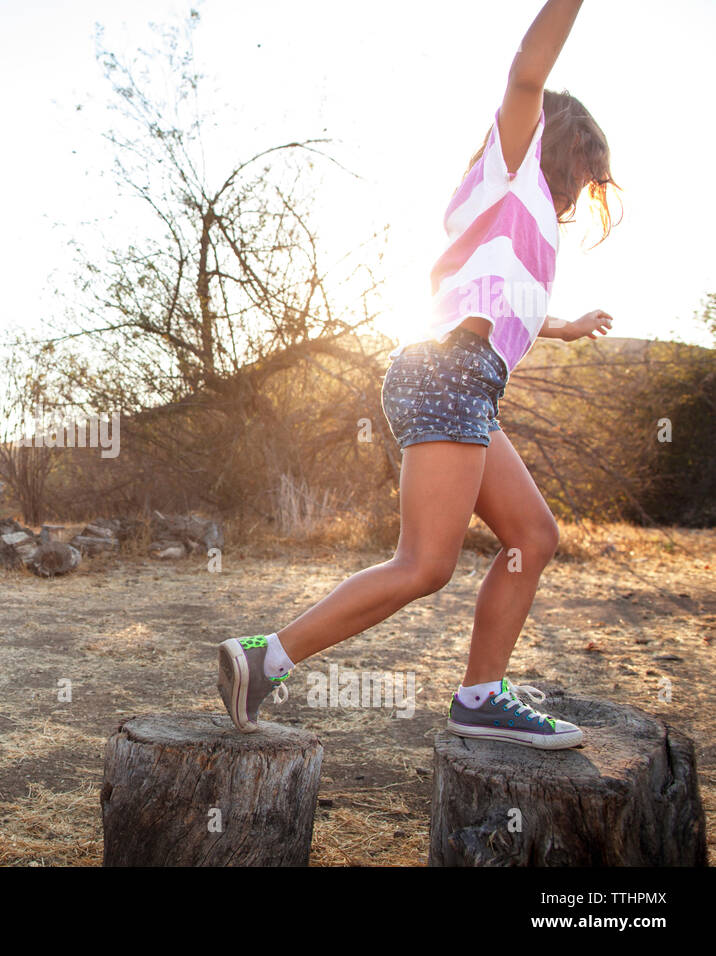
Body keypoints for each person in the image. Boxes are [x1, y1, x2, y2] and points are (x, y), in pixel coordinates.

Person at [217, 0, 617, 749]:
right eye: (579, 174)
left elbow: (501, 302)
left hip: (465, 378)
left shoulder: (515, 215)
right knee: (425, 564)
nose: (574, 192)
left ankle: (480, 695)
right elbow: (527, 69)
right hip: (449, 375)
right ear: (553, 147)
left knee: (532, 532)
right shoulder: (514, 159)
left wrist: (568, 325)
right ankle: (264, 659)